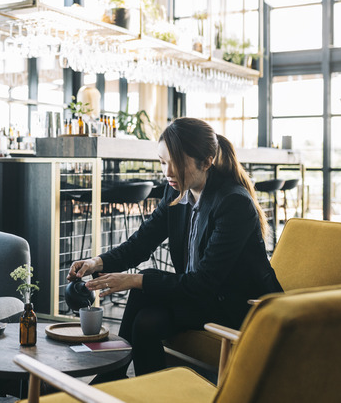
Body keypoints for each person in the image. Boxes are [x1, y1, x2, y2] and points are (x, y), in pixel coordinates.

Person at [68, 117, 282, 380]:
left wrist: (136, 280)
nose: (167, 172)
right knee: (146, 321)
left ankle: (111, 377)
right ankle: (140, 387)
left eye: (176, 163)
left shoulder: (233, 203)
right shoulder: (177, 191)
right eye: (162, 162)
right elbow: (142, 242)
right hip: (200, 297)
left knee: (142, 289)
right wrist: (96, 262)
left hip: (235, 305)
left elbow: (205, 282)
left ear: (206, 161)